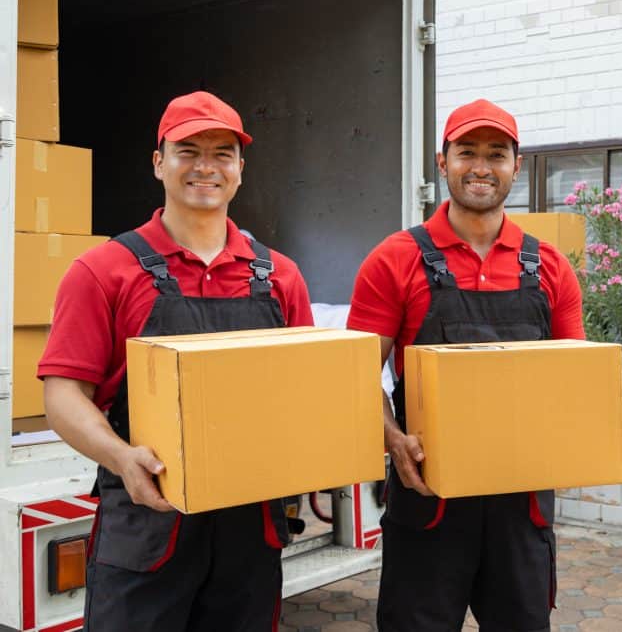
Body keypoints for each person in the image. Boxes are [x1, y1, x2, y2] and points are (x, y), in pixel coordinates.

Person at [38, 90, 314, 631]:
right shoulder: (104, 271)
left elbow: (304, 387)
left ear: (240, 169)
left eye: (222, 152)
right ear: (158, 162)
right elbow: (63, 392)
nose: (206, 166)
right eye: (188, 150)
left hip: (249, 527)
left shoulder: (280, 276)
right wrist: (121, 458)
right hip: (147, 520)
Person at [346, 98, 584, 632]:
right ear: (442, 160)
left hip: (521, 504)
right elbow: (354, 375)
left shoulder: (549, 267)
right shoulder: (394, 259)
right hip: (428, 496)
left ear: (516, 166)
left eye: (496, 154)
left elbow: (573, 381)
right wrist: (392, 437)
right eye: (467, 152)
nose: (481, 166)